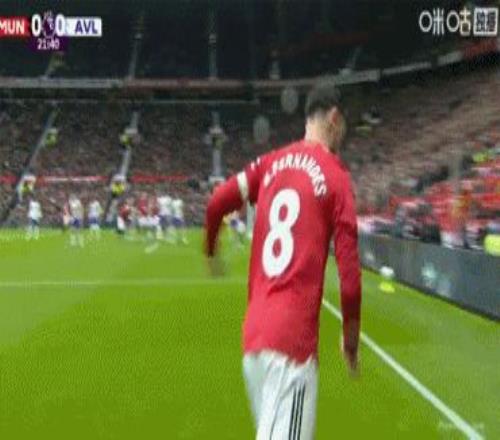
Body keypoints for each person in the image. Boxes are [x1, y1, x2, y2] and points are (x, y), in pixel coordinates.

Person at [204, 84, 361, 439]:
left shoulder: (269, 163)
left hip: (255, 344)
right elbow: (350, 280)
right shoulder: (336, 177)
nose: (343, 137)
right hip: (291, 350)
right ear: (334, 118)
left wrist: (212, 253)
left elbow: (216, 203)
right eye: (344, 128)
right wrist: (350, 342)